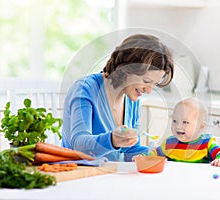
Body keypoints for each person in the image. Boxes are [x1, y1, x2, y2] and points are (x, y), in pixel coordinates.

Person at [61, 34, 174, 162]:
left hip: (111, 175)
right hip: (78, 173)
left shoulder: (132, 99)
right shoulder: (85, 89)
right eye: (146, 81)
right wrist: (112, 140)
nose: (148, 90)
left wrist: (163, 152)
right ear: (126, 69)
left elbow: (129, 152)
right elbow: (79, 145)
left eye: (155, 84)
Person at [135, 98, 220, 167]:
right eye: (175, 121)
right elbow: (154, 154)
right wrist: (143, 157)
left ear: (201, 127)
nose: (178, 126)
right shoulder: (169, 143)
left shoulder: (206, 143)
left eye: (185, 122)